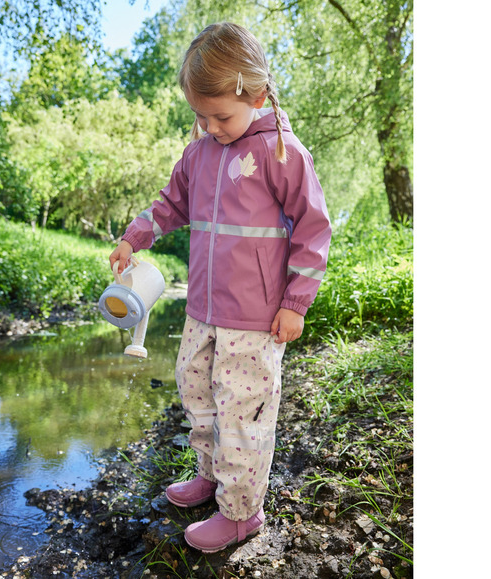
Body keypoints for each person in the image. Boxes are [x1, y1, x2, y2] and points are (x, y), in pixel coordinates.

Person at [109, 22, 332, 553]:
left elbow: (312, 229)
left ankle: (240, 513)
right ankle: (211, 477)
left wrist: (296, 303)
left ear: (255, 95)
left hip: (254, 319)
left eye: (221, 116)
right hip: (202, 308)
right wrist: (133, 236)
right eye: (200, 115)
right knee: (198, 393)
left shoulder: (282, 153)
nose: (210, 127)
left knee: (243, 411)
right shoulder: (201, 153)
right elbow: (171, 204)